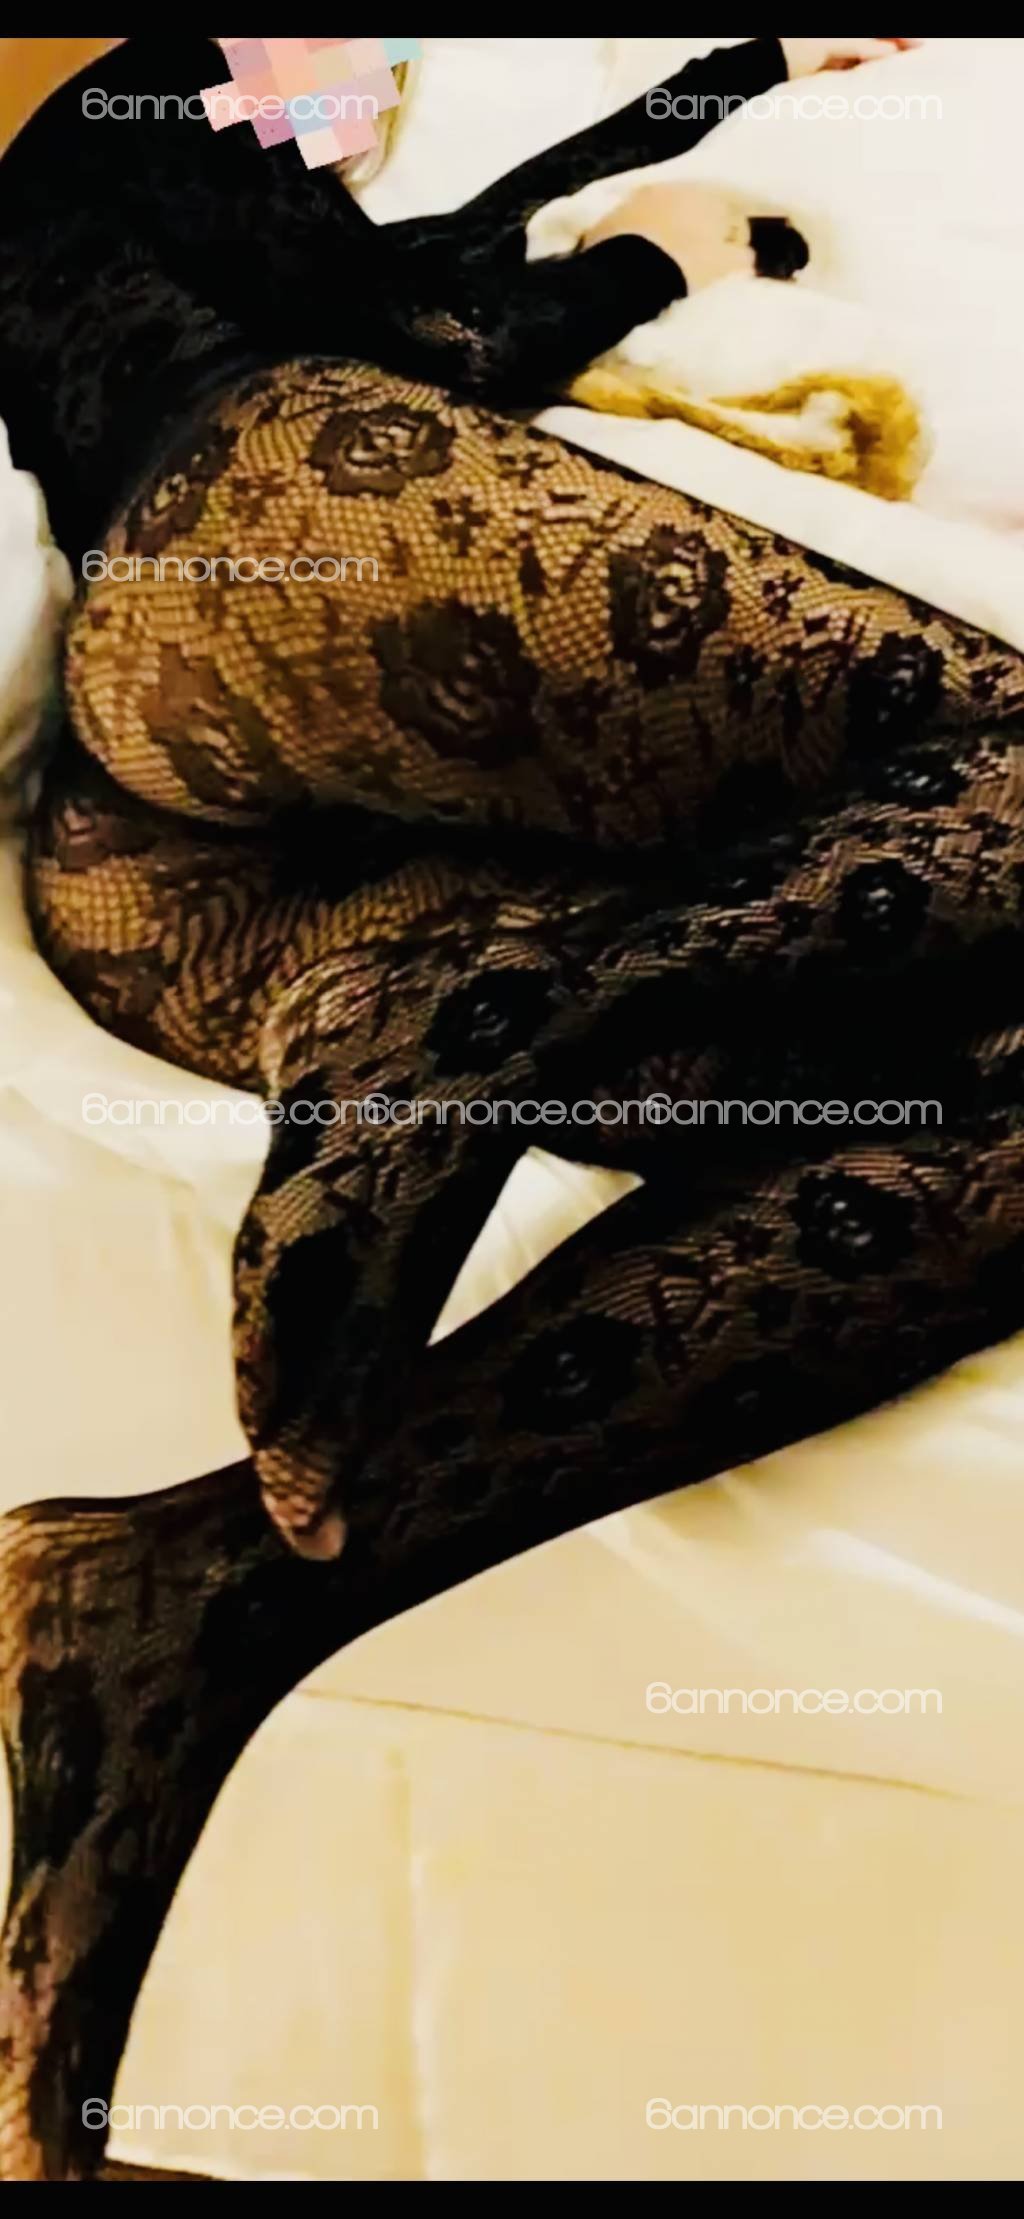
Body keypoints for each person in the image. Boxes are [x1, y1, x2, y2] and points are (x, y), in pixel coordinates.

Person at [3, 34, 1022, 2183]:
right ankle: (515, 1028)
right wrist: (656, 226)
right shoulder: (147, 89)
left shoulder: (288, 138)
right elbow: (419, 342)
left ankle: (191, 1605)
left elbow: (440, 294)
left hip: (281, 894)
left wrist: (692, 132)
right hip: (234, 567)